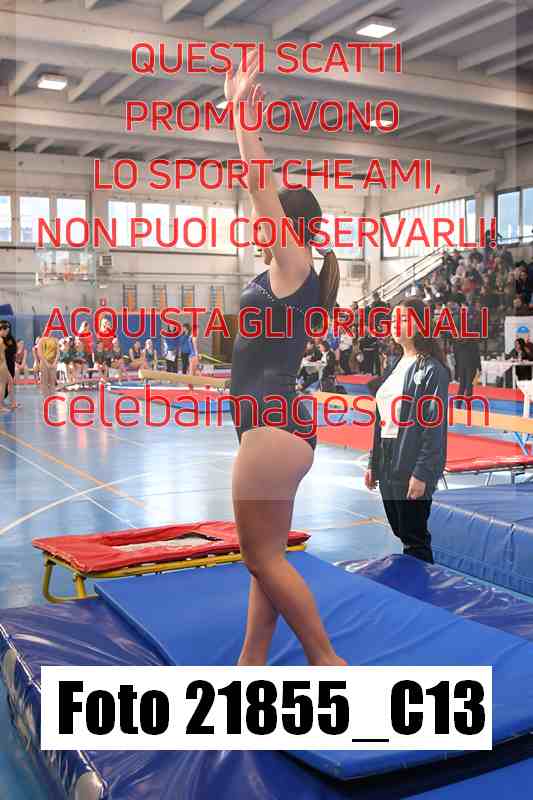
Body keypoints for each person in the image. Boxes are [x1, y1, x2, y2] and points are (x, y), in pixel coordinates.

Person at [225, 50, 345, 667]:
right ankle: (251, 664)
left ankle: (325, 660)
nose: (255, 218)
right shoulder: (285, 273)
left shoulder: (293, 265)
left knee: (261, 557)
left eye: (265, 213)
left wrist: (242, 116)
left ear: (288, 225)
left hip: (271, 424)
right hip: (278, 422)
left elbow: (256, 181)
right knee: (265, 558)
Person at [365, 297, 449, 564]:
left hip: (411, 457)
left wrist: (422, 472)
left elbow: (433, 426)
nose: (395, 324)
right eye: (393, 319)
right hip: (388, 455)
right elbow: (381, 418)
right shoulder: (396, 364)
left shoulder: (432, 370)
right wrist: (373, 462)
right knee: (401, 530)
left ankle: (422, 585)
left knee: (414, 537)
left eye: (403, 319)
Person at [0, 322, 16, 412]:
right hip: (2, 365)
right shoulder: (1, 341)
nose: (7, 333)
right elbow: (2, 356)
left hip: (3, 364)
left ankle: (13, 403)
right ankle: (0, 406)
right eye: (6, 331)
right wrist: (4, 366)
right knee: (2, 385)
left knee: (10, 381)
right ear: (2, 330)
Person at [37, 333, 59, 399]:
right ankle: (46, 398)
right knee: (45, 382)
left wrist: (54, 363)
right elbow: (40, 353)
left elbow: (58, 353)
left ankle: (52, 398)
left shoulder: (55, 340)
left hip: (53, 362)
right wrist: (46, 363)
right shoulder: (41, 340)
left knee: (52, 382)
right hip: (44, 362)